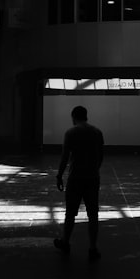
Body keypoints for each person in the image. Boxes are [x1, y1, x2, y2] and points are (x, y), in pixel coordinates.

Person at [54, 105, 105, 261]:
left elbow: (64, 157)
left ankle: (66, 242)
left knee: (70, 213)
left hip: (75, 178)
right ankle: (92, 248)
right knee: (93, 214)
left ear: (73, 117)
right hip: (92, 178)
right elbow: (101, 156)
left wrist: (59, 175)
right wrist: (94, 169)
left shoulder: (71, 133)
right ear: (86, 116)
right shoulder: (97, 132)